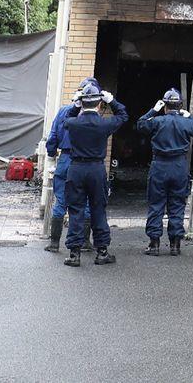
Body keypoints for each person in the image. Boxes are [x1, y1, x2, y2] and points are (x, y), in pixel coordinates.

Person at [61, 81, 128, 267]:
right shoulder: (104, 124)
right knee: (98, 208)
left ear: (82, 103)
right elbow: (123, 115)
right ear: (99, 104)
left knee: (76, 210)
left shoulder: (73, 123)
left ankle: (74, 254)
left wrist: (75, 106)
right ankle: (102, 252)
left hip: (76, 168)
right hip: (96, 169)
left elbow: (66, 119)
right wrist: (112, 101)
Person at [137, 88, 193, 256]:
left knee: (156, 205)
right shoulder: (186, 122)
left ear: (165, 106)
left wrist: (154, 109)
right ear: (180, 106)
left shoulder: (157, 121)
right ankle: (175, 245)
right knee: (177, 206)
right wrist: (190, 116)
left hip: (159, 166)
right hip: (179, 167)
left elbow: (140, 124)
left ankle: (154, 244)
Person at [42, 78, 96, 254]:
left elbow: (53, 137)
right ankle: (84, 242)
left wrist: (51, 155)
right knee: (86, 201)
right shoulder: (94, 118)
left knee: (61, 201)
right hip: (85, 163)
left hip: (65, 160)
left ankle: (54, 243)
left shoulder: (65, 111)